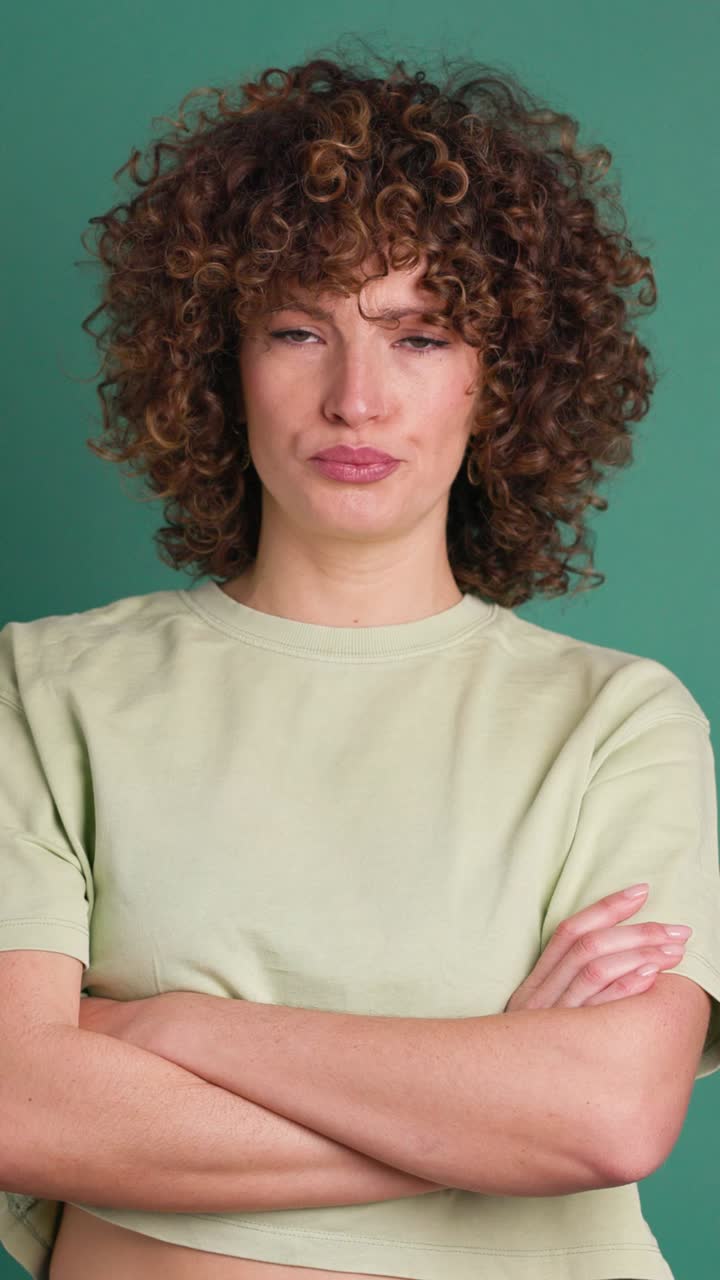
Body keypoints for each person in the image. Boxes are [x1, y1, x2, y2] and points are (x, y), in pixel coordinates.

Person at [1, 42, 719, 1280]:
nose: (358, 398)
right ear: (218, 364)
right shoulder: (45, 687)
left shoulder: (619, 718)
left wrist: (164, 1028)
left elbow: (606, 1113)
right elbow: (21, 1103)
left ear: (502, 380)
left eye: (421, 336)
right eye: (299, 328)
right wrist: (484, 1101)